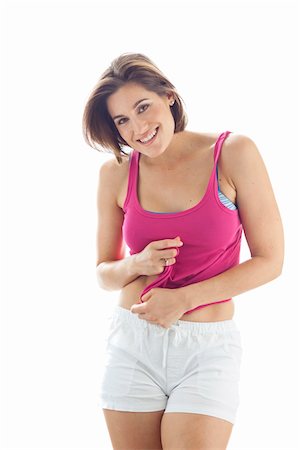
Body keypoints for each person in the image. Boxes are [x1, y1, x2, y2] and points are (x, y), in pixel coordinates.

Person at [82, 52, 284, 450]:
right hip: (132, 343)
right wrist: (137, 263)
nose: (138, 128)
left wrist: (184, 299)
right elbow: (103, 272)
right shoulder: (115, 174)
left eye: (143, 107)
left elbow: (270, 261)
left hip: (206, 349)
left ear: (169, 97)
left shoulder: (232, 153)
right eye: (122, 120)